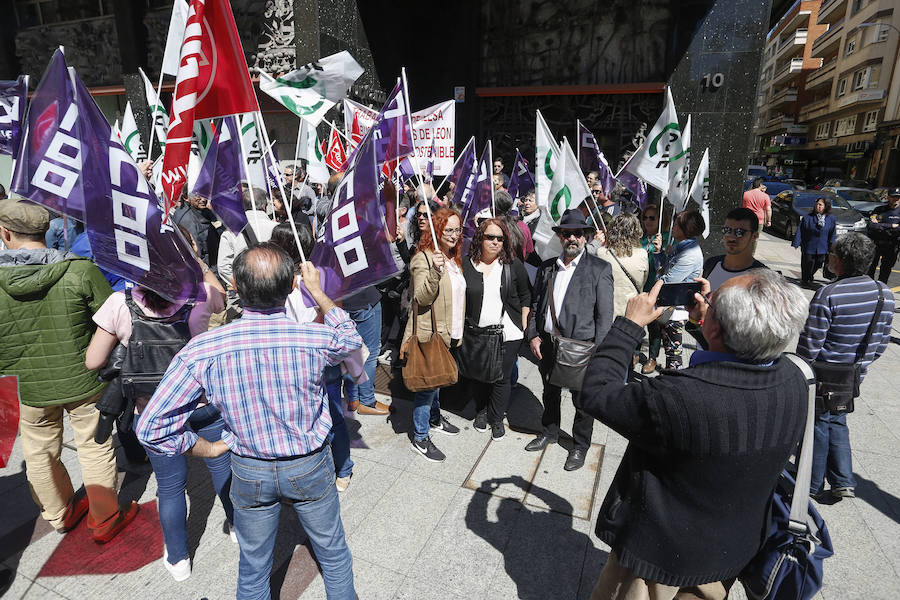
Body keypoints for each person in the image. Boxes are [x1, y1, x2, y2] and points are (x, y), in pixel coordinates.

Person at [137, 244, 360, 599]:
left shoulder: (203, 349)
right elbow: (351, 338)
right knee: (333, 555)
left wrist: (207, 449)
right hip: (309, 465)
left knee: (254, 566)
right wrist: (317, 292)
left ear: (236, 286)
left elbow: (150, 427)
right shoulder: (315, 338)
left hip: (248, 468)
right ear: (291, 287)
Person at [581, 269, 810, 598]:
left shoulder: (679, 397)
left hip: (658, 563)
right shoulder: (796, 379)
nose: (707, 298)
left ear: (718, 326)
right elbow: (735, 370)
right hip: (730, 554)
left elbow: (598, 393)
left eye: (712, 302)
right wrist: (709, 326)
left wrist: (630, 325)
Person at [84, 240, 228, 581]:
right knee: (221, 465)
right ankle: (236, 525)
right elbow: (221, 296)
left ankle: (178, 559)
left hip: (154, 411)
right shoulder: (202, 293)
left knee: (170, 486)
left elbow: (93, 361)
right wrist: (196, 258)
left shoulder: (119, 303)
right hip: (202, 400)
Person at [0, 199, 138, 543]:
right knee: (95, 446)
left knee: (38, 453)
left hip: (24, 386)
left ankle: (59, 513)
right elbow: (113, 318)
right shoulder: (80, 270)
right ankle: (104, 517)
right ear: (46, 230)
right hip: (84, 379)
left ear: (5, 233)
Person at [797, 233, 894, 500]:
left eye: (831, 254)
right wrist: (860, 364)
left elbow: (811, 342)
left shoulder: (829, 293)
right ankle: (843, 480)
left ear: (839, 261)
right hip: (854, 373)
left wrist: (801, 370)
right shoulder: (883, 292)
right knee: (838, 419)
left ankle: (812, 484)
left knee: (817, 422)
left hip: (824, 373)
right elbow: (882, 340)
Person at [524, 209, 614, 471]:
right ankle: (549, 431)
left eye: (577, 233)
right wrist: (533, 335)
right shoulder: (547, 267)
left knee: (582, 401)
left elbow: (604, 316)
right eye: (566, 233)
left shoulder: (599, 269)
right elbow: (536, 302)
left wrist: (598, 355)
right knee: (550, 392)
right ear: (560, 237)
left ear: (586, 236)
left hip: (581, 349)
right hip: (549, 345)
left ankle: (580, 445)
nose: (572, 238)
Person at [401, 207, 466, 462]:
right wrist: (436, 272)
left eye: (457, 229)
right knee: (427, 387)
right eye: (448, 229)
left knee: (437, 380)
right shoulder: (424, 259)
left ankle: (435, 418)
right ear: (437, 229)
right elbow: (421, 298)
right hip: (430, 334)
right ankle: (420, 437)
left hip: (449, 331)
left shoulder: (452, 257)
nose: (453, 234)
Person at [462, 218, 531, 440]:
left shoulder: (512, 265)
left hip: (508, 332)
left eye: (500, 238)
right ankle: (481, 411)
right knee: (480, 374)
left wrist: (524, 323)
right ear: (480, 239)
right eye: (490, 237)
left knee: (501, 376)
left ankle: (496, 417)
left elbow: (526, 294)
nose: (495, 242)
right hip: (476, 331)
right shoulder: (466, 264)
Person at [217, 187, 277, 323]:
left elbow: (223, 266)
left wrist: (244, 286)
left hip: (245, 295)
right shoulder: (277, 228)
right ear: (265, 205)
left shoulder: (230, 232)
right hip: (276, 291)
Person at [659, 209, 705, 370]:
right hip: (672, 307)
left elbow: (670, 280)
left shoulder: (689, 254)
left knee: (673, 354)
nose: (672, 227)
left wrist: (655, 284)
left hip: (677, 310)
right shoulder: (682, 248)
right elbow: (664, 270)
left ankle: (671, 388)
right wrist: (662, 254)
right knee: (670, 351)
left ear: (686, 228)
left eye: (676, 224)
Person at [592, 213, 648, 318]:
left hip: (607, 313)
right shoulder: (642, 254)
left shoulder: (601, 253)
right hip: (632, 314)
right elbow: (643, 281)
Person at [702, 207, 768, 292]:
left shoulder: (762, 276)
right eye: (727, 231)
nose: (731, 238)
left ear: (754, 236)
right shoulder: (711, 264)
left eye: (739, 232)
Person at [638, 204, 670, 374]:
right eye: (645, 217)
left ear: (660, 220)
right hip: (639, 284)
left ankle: (652, 357)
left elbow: (669, 265)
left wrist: (661, 250)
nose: (647, 221)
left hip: (656, 286)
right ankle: (635, 352)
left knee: (654, 324)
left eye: (652, 217)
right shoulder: (639, 237)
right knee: (636, 320)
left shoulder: (668, 237)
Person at [792, 196, 836, 286]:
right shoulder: (808, 217)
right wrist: (797, 242)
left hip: (822, 246)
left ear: (826, 206)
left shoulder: (830, 218)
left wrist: (832, 244)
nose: (818, 206)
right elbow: (801, 230)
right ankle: (805, 280)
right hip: (809, 245)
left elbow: (832, 232)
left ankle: (810, 275)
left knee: (819, 263)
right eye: (817, 204)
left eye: (820, 205)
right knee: (807, 264)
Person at [173, 192, 222, 273]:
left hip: (214, 264)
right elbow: (196, 252)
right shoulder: (187, 219)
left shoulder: (204, 211)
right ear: (186, 197)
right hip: (207, 270)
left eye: (204, 194)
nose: (203, 199)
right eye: (198, 196)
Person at [866, 186, 900, 284]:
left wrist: (880, 226)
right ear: (888, 197)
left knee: (885, 271)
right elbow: (871, 226)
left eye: (898, 197)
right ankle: (869, 288)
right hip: (876, 244)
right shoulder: (879, 210)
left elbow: (898, 230)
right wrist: (891, 226)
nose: (896, 199)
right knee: (870, 269)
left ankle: (881, 291)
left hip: (891, 246)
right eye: (894, 197)